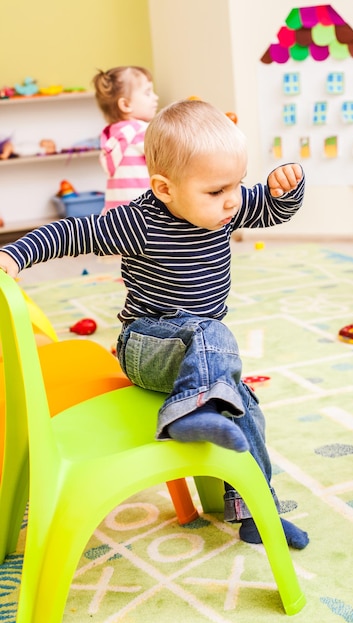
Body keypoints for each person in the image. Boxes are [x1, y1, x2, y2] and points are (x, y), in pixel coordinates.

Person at [0, 99, 309, 549]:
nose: (233, 200)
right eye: (217, 190)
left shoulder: (224, 207)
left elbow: (271, 210)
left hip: (199, 353)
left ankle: (255, 511)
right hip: (146, 345)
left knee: (247, 405)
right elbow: (71, 233)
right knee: (211, 332)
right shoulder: (139, 221)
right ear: (165, 188)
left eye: (238, 185)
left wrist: (287, 189)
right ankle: (186, 411)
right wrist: (14, 254)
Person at [93, 66, 159, 213]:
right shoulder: (142, 131)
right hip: (142, 214)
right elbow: (171, 159)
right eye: (148, 93)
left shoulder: (110, 135)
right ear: (125, 105)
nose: (156, 97)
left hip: (114, 214)